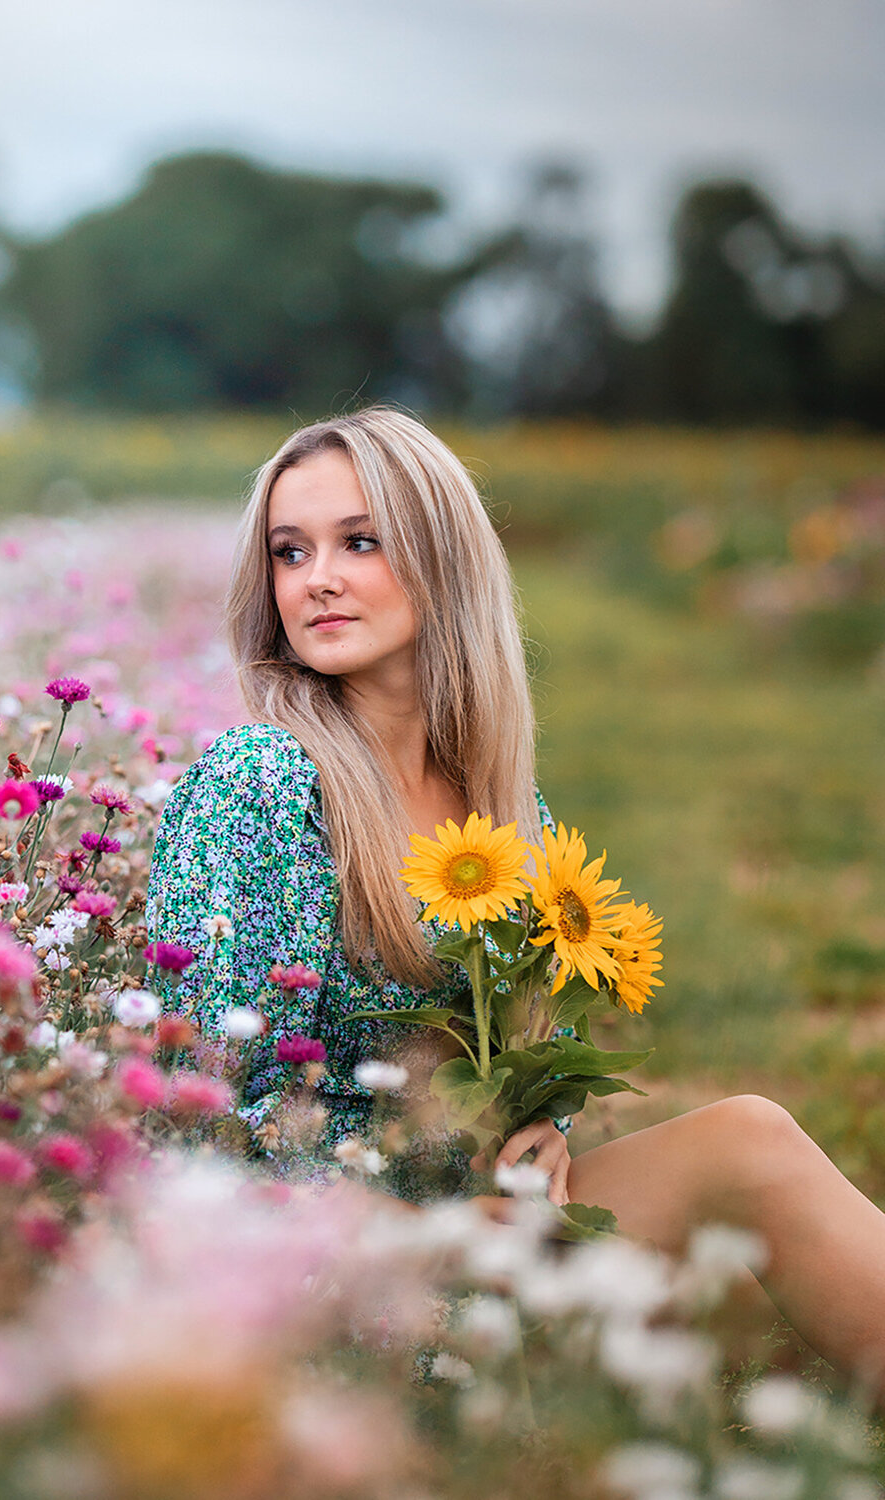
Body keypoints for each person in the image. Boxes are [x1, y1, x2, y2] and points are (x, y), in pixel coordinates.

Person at [146, 406, 885, 1387]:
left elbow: (521, 1043)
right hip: (341, 1275)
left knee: (751, 1164)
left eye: (359, 542)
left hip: (492, 1228)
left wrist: (550, 1132)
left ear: (443, 560)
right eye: (290, 552)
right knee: (745, 1197)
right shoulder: (264, 781)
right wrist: (429, 1231)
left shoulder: (496, 801)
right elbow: (212, 1119)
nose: (316, 578)